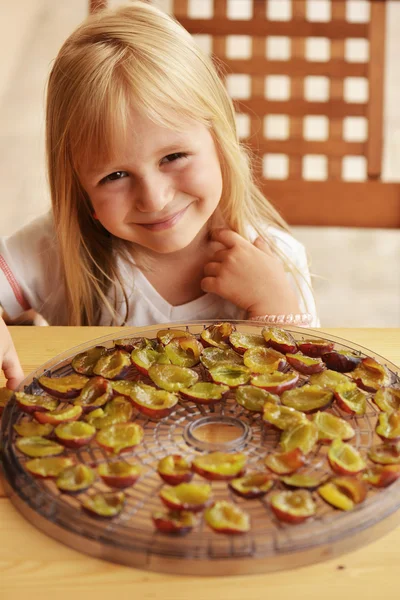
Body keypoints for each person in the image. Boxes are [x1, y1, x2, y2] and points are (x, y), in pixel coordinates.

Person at [0, 1, 319, 390]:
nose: (153, 198)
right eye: (115, 175)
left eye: (173, 157)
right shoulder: (60, 248)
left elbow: (307, 390)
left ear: (220, 140)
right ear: (79, 188)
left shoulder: (277, 262)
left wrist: (274, 306)